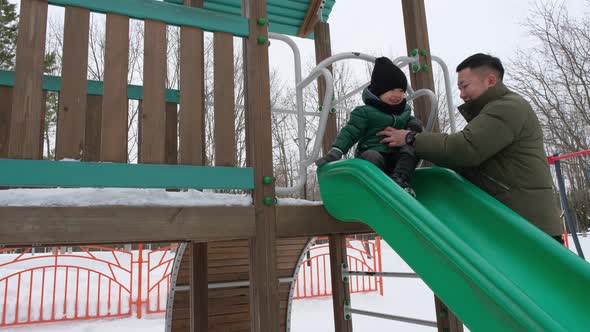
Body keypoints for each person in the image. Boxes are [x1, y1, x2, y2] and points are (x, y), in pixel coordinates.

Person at [377, 53, 563, 241]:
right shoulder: (495, 111)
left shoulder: (507, 108)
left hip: (529, 226)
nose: (461, 94)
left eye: (465, 86)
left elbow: (465, 149)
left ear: (490, 80)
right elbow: (472, 163)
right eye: (459, 88)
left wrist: (410, 138)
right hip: (518, 220)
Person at [315, 56, 423, 196]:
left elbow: (413, 121)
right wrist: (336, 151)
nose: (398, 94)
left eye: (402, 90)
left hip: (396, 159)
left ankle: (400, 181)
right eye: (392, 89)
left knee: (412, 147)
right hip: (373, 155)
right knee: (372, 156)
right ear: (379, 90)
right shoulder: (365, 112)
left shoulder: (405, 111)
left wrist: (414, 127)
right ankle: (373, 188)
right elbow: (350, 132)